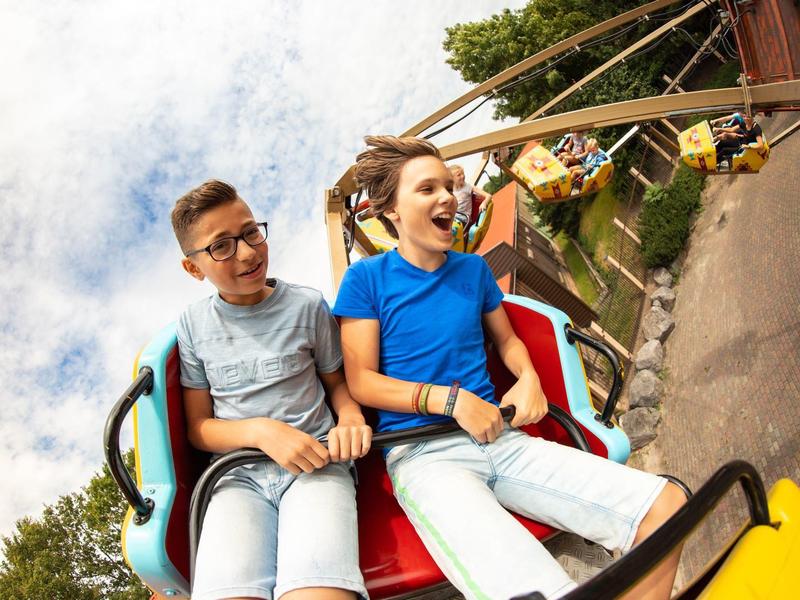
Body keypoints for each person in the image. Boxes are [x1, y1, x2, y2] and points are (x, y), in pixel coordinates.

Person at [333, 135, 686, 600]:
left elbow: (508, 340)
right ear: (392, 210)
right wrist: (451, 401)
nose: (446, 197)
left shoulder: (472, 270)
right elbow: (361, 381)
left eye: (447, 186)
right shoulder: (366, 279)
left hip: (501, 437)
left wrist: (529, 379)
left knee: (667, 506)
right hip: (425, 455)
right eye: (426, 189)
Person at [171, 180, 370, 600]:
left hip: (317, 464)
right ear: (193, 268)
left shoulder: (307, 305)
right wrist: (261, 431)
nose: (247, 252)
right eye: (221, 246)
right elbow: (199, 428)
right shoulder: (192, 325)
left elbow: (337, 385)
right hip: (237, 476)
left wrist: (350, 417)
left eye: (250, 232)